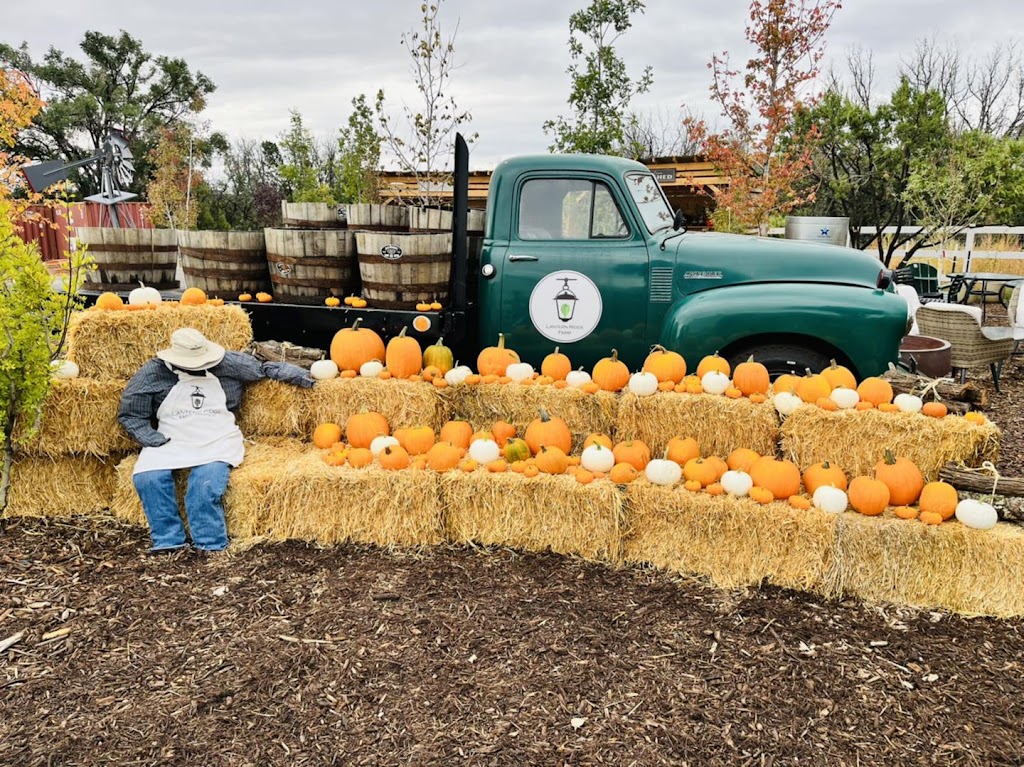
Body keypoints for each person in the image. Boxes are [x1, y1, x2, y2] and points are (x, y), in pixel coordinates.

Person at [118, 328, 315, 553]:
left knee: (205, 484)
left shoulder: (227, 362)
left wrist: (302, 376)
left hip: (216, 436)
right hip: (172, 438)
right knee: (148, 478)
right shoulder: (153, 372)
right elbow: (131, 412)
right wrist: (149, 437)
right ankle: (169, 541)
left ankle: (210, 544)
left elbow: (262, 369)